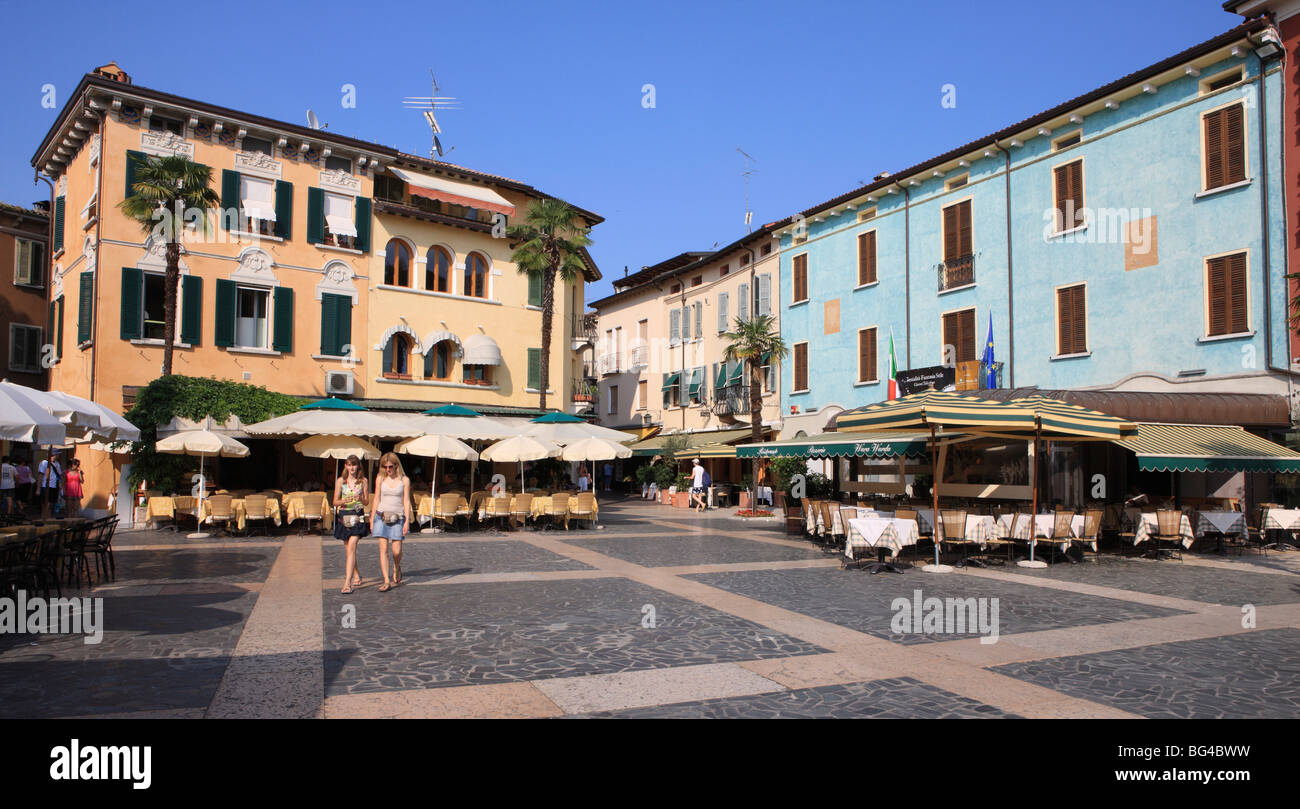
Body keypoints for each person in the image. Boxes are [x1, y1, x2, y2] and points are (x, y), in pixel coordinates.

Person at [370, 452, 410, 593]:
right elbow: (376, 498)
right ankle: (386, 580)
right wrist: (371, 518)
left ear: (396, 465)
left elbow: (406, 501)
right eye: (385, 466)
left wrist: (407, 521)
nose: (388, 469)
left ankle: (396, 566)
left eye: (390, 466)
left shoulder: (404, 480)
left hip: (398, 518)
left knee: (396, 551)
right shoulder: (380, 479)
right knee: (383, 550)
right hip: (381, 516)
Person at [333, 455, 369, 594]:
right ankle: (356, 574)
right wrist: (344, 500)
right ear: (346, 466)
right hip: (344, 515)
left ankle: (347, 583)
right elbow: (335, 502)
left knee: (352, 545)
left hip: (357, 515)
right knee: (349, 550)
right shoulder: (341, 481)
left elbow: (366, 502)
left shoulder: (363, 481)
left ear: (358, 466)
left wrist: (360, 498)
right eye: (349, 465)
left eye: (354, 465)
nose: (351, 468)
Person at [37, 452, 62, 519]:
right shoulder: (44, 463)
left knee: (51, 503)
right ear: (53, 455)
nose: (58, 455)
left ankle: (49, 517)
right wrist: (38, 488)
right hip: (45, 485)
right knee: (45, 503)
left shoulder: (57, 464)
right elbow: (40, 475)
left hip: (54, 485)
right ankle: (44, 517)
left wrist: (60, 485)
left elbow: (59, 475)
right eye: (57, 454)